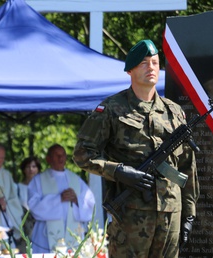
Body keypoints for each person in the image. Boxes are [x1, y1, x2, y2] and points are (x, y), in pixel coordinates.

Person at [73, 39, 199, 258]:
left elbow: (188, 167)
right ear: (130, 70)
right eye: (143, 63)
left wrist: (189, 214)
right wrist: (118, 171)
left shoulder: (174, 112)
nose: (151, 68)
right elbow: (83, 154)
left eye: (155, 62)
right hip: (131, 215)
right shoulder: (111, 109)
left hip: (171, 215)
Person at [28, 144, 95, 253]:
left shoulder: (76, 180)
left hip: (73, 235)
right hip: (45, 237)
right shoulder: (38, 180)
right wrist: (58, 199)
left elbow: (90, 204)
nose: (61, 158)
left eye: (63, 155)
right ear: (48, 159)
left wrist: (76, 199)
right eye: (57, 155)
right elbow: (34, 207)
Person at [17, 156, 41, 238]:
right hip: (24, 225)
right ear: (24, 169)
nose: (31, 169)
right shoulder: (18, 187)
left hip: (40, 223)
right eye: (28, 167)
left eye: (34, 166)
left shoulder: (43, 187)